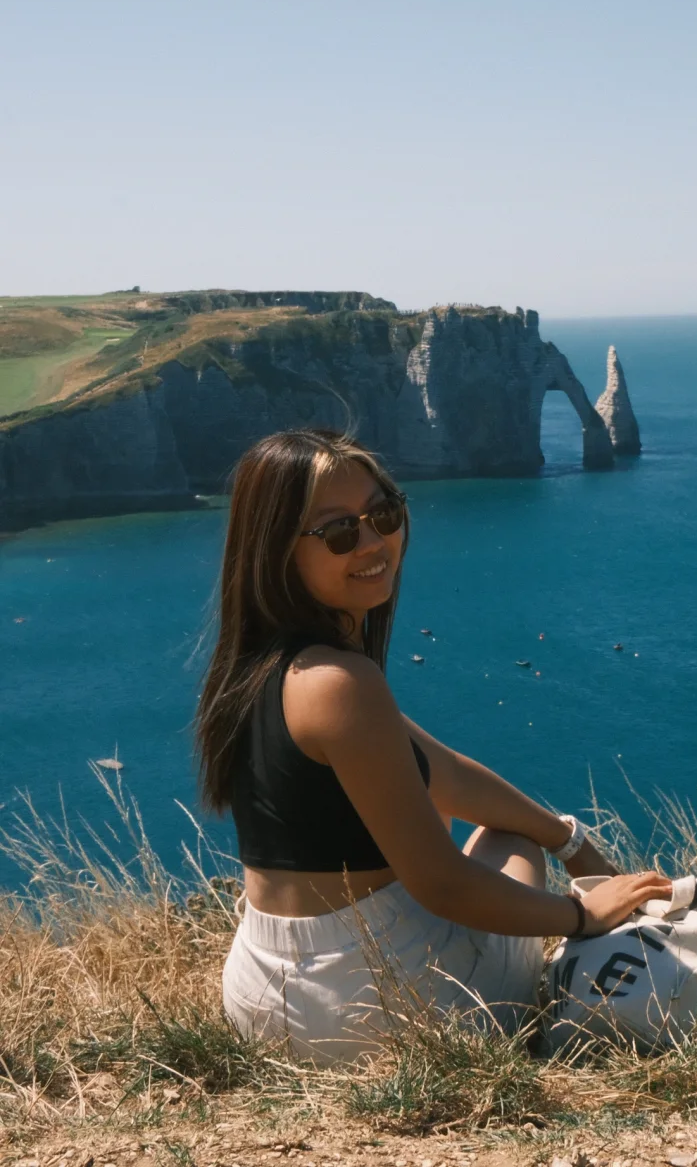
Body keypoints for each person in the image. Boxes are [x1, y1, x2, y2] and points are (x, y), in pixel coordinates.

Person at [195, 428, 671, 1064]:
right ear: (278, 550)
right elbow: (443, 885)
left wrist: (573, 842)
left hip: (261, 993)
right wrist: (583, 913)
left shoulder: (260, 668)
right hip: (376, 1010)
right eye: (339, 532)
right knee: (511, 840)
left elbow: (444, 773)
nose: (372, 542)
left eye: (384, 513)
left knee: (518, 828)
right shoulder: (341, 684)